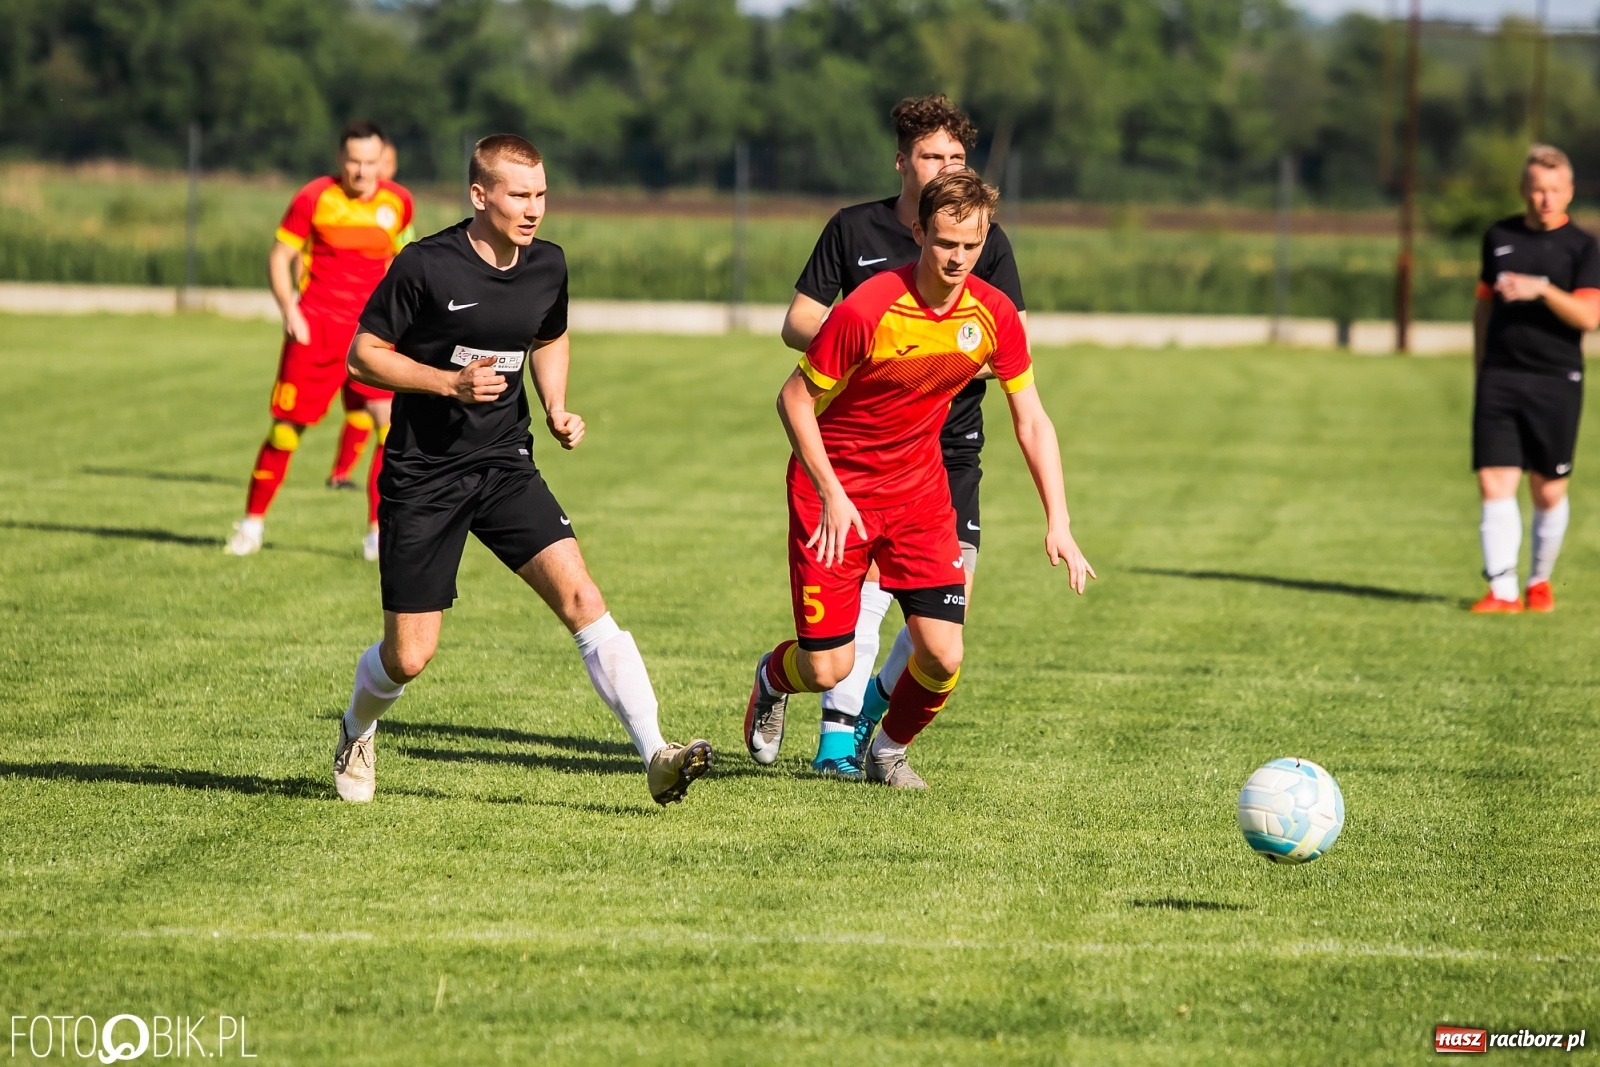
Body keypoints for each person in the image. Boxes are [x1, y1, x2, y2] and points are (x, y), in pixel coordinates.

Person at [332, 134, 712, 806]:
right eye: (519, 195)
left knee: (582, 598)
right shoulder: (426, 265)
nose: (533, 209)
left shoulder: (548, 265)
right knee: (409, 656)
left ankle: (657, 752)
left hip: (504, 461)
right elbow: (363, 355)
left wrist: (557, 405)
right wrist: (447, 384)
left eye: (541, 194)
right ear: (480, 196)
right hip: (424, 474)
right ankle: (357, 728)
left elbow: (549, 335)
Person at [744, 170, 1092, 789]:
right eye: (945, 243)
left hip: (918, 496)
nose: (958, 258)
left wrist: (1059, 521)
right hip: (835, 491)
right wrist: (830, 492)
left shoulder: (994, 315)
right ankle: (773, 678)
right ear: (919, 233)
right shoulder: (869, 308)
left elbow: (1032, 420)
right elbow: (793, 399)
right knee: (826, 668)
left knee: (943, 653)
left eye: (971, 245)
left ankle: (887, 752)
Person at [767, 93, 1028, 777]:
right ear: (902, 163)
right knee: (855, 617)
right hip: (854, 444)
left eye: (956, 156)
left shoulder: (983, 240)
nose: (946, 167)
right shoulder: (855, 231)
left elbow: (1006, 344)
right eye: (932, 155)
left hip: (948, 447)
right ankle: (834, 737)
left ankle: (879, 730)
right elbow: (799, 324)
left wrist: (929, 353)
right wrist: (869, 343)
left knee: (942, 629)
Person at [226, 120, 413, 561]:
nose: (362, 171)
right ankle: (251, 526)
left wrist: (406, 320)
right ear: (340, 158)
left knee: (389, 430)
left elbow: (403, 261)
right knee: (285, 432)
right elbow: (280, 257)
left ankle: (377, 534)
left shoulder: (399, 202)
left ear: (382, 161)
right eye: (354, 161)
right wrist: (289, 310)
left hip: (373, 334)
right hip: (316, 331)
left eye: (370, 162)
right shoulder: (314, 197)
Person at [1469, 144, 1600, 613]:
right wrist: (1481, 365)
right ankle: (1502, 590)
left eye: (1555, 190)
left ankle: (1539, 581)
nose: (1546, 199)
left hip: (1556, 379)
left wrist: (1542, 289)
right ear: (1524, 188)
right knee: (1494, 481)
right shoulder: (1499, 236)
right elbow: (1484, 305)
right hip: (1501, 376)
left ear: (1570, 192)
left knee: (1548, 489)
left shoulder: (1583, 247)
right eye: (1538, 189)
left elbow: (1589, 317)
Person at [325, 138, 419, 502]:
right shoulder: (330, 200)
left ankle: (370, 515)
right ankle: (341, 473)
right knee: (360, 410)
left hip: (376, 319)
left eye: (385, 163)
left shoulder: (397, 204)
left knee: (374, 413)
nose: (378, 170)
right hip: (333, 321)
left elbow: (404, 255)